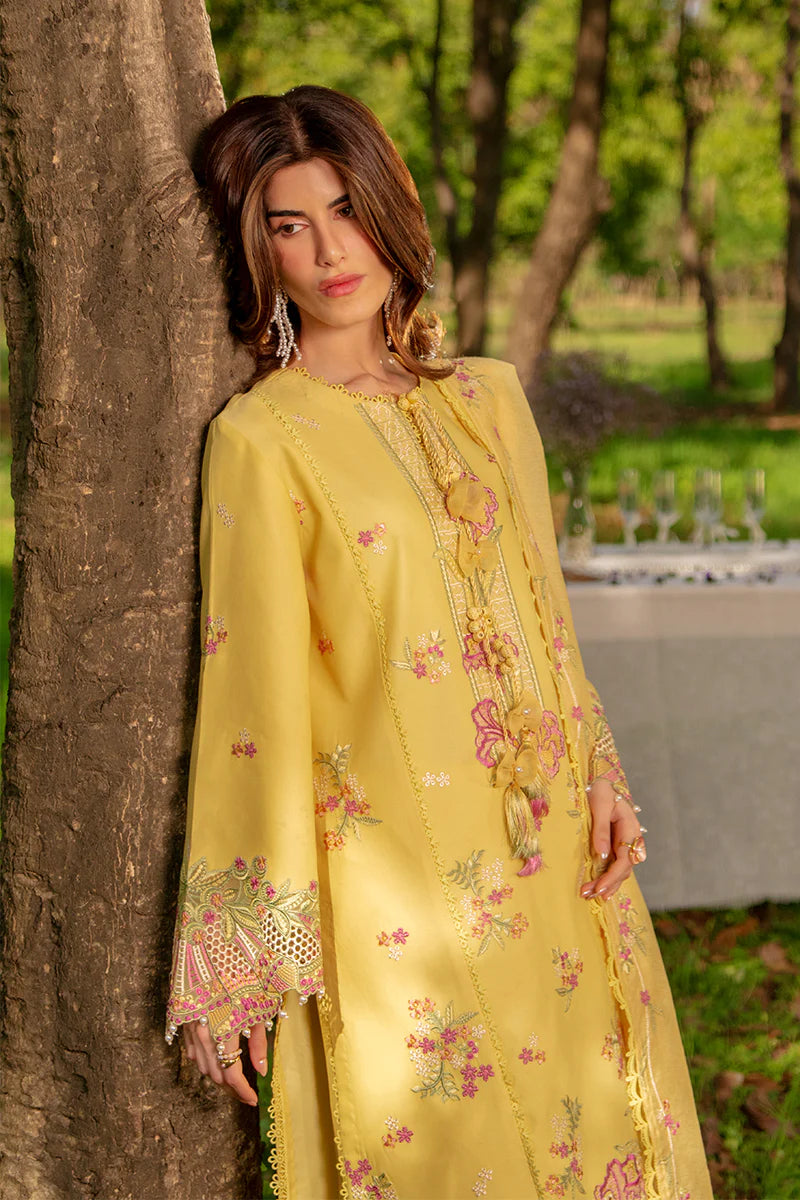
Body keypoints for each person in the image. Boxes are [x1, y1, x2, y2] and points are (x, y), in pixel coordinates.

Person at [166, 85, 711, 1200]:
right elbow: (250, 707)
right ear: (260, 251)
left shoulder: (489, 401)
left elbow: (543, 616)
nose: (330, 252)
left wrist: (600, 770)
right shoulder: (264, 439)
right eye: (290, 225)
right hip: (400, 881)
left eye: (345, 210)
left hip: (555, 847)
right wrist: (237, 961)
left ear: (388, 209)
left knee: (601, 1127)